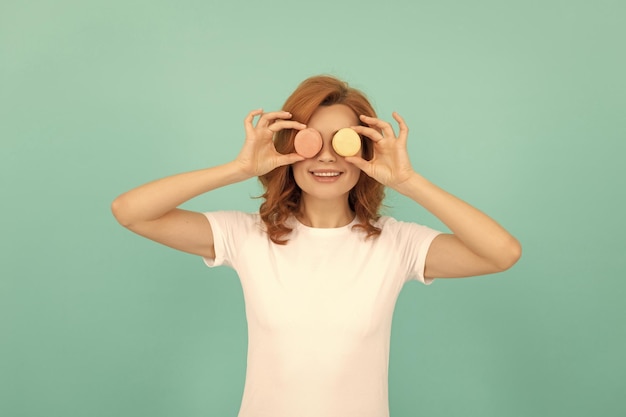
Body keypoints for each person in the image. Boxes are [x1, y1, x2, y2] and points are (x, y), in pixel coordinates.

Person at [111, 75, 521, 417]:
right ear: (290, 148)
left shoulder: (397, 243)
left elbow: (502, 252)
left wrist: (408, 181)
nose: (326, 158)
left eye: (341, 141)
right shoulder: (248, 237)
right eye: (311, 141)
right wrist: (238, 169)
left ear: (363, 150)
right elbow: (131, 211)